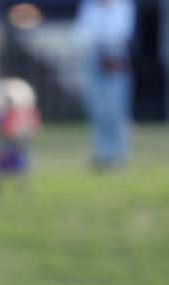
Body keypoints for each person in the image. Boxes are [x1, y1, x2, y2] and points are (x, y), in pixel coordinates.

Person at [73, 0, 136, 170]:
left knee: (116, 108)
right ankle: (101, 153)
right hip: (94, 57)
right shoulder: (89, 6)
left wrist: (100, 38)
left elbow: (122, 32)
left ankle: (117, 154)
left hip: (115, 57)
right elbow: (80, 32)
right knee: (98, 109)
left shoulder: (123, 6)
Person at [0, 77, 41, 194]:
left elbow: (32, 128)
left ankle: (22, 187)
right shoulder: (0, 115)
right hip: (4, 146)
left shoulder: (21, 114)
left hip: (18, 145)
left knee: (21, 166)